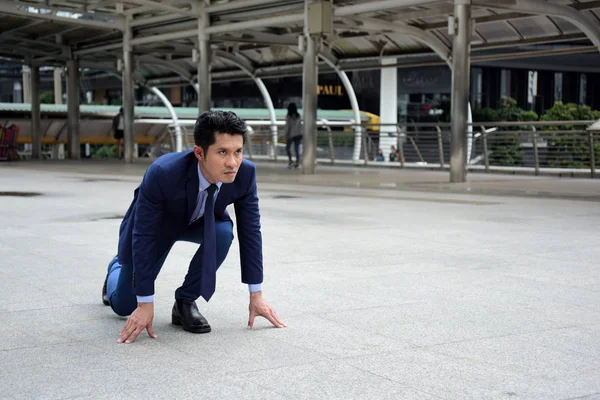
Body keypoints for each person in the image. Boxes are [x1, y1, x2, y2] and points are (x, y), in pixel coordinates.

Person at [102, 110, 286, 344]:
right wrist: (145, 304)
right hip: (158, 228)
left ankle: (185, 301)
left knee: (223, 232)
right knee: (123, 305)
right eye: (222, 152)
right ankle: (115, 268)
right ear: (199, 152)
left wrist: (256, 295)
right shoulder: (163, 172)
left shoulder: (245, 173)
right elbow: (144, 234)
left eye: (237, 152)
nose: (233, 162)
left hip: (201, 221)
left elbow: (251, 231)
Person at [284, 102, 302, 168]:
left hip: (290, 135)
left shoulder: (288, 116)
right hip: (298, 134)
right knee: (297, 149)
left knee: (287, 148)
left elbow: (287, 127)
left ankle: (290, 160)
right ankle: (297, 161)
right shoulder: (298, 116)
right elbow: (300, 126)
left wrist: (285, 135)